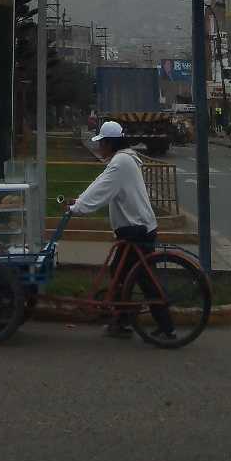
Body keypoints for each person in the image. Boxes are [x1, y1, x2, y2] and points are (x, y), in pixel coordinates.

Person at [61, 119, 164, 336]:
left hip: (136, 229)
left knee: (140, 278)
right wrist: (78, 201)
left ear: (110, 143)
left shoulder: (121, 163)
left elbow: (101, 189)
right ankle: (122, 321)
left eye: (101, 143)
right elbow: (99, 182)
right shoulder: (123, 159)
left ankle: (165, 327)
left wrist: (77, 208)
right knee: (123, 274)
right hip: (137, 226)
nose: (99, 147)